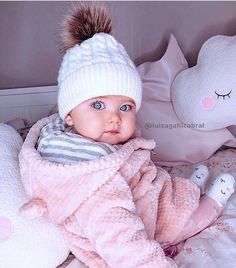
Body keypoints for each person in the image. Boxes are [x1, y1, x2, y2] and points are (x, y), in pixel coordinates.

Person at [19, 3, 235, 267]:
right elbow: (122, 242)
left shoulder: (74, 136)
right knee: (185, 220)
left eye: (125, 106)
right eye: (98, 105)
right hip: (149, 218)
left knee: (170, 186)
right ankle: (210, 202)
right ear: (69, 114)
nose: (114, 117)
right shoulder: (95, 182)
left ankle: (192, 185)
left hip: (149, 188)